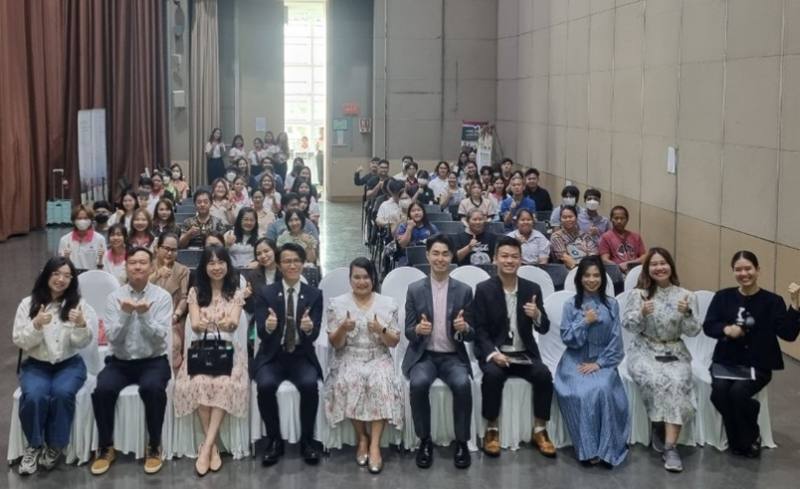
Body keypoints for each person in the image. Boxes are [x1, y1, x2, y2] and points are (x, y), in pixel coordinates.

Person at [703, 251, 800, 457]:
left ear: (758, 270)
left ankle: (744, 439)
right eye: (738, 269)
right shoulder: (723, 297)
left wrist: (795, 305)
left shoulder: (772, 301)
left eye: (748, 268)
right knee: (719, 393)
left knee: (738, 394)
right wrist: (726, 330)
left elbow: (788, 334)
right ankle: (745, 438)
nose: (743, 273)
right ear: (733, 272)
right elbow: (709, 325)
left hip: (758, 364)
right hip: (726, 361)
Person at [90, 247, 172, 476]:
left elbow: (160, 336)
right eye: (133, 262)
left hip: (153, 360)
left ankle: (154, 445)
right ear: (126, 267)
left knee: (153, 388)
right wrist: (126, 314)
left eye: (143, 262)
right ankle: (106, 447)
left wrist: (145, 315)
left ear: (152, 267)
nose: (138, 267)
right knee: (102, 389)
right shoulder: (114, 297)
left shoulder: (161, 297)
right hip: (120, 361)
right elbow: (112, 337)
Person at [470, 236, 556, 457]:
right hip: (497, 353)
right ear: (495, 259)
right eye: (505, 256)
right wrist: (492, 353)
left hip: (524, 353)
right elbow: (479, 330)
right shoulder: (483, 289)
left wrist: (536, 315)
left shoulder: (531, 289)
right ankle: (492, 428)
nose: (509, 261)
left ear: (521, 260)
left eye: (514, 257)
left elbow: (544, 327)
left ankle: (540, 429)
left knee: (544, 375)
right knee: (492, 376)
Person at [12, 257, 95, 475]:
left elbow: (82, 343)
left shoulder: (77, 304)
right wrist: (36, 324)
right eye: (57, 274)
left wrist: (81, 324)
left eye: (67, 276)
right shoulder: (27, 304)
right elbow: (20, 340)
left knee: (62, 392)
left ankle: (56, 445)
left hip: (69, 365)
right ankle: (34, 445)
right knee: (34, 396)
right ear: (47, 274)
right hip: (36, 366)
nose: (61, 279)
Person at [621, 247, 700, 472]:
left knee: (676, 381)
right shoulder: (639, 294)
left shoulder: (686, 296)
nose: (659, 268)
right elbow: (628, 325)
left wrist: (687, 314)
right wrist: (641, 313)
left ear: (671, 266)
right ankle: (658, 422)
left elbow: (693, 331)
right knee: (652, 377)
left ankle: (670, 446)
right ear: (647, 269)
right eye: (654, 264)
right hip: (644, 348)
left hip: (674, 349)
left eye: (663, 263)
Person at [324, 258, 403, 474]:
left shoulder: (387, 303)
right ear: (350, 280)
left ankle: (375, 445)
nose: (361, 282)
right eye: (356, 277)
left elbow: (394, 342)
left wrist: (381, 330)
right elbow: (335, 343)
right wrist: (342, 328)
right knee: (350, 380)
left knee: (381, 382)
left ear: (373, 278)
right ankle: (361, 439)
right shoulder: (338, 304)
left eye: (366, 277)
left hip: (378, 356)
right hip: (349, 355)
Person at [402, 234, 475, 469]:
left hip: (452, 355)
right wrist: (419, 330)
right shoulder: (414, 290)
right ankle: (424, 440)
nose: (440, 258)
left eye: (445, 254)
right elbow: (408, 332)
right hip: (424, 356)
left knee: (463, 385)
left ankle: (462, 442)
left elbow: (472, 332)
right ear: (427, 255)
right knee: (418, 384)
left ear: (452, 257)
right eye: (435, 253)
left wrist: (464, 329)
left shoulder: (464, 291)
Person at [174, 246, 248, 476]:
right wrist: (219, 323)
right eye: (211, 263)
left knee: (225, 383)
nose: (216, 267)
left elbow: (233, 323)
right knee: (198, 382)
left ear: (228, 265)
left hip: (229, 351)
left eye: (221, 262)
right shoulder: (196, 292)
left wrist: (220, 323)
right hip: (202, 349)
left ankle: (205, 447)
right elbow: (195, 324)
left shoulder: (236, 291)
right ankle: (211, 447)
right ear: (204, 267)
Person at [253, 243, 324, 466]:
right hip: (273, 356)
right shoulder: (266, 293)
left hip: (301, 355)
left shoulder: (314, 295)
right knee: (264, 386)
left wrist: (308, 329)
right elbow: (263, 334)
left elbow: (313, 336)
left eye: (296, 261)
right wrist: (270, 327)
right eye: (286, 261)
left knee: (309, 385)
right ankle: (274, 440)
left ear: (303, 264)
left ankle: (307, 441)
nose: (292, 265)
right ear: (279, 264)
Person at [555, 256, 629, 467]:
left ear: (602, 278)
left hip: (603, 360)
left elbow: (616, 339)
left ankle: (607, 449)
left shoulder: (611, 304)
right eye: (587, 275)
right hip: (574, 361)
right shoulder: (571, 304)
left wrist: (600, 364)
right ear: (580, 278)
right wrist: (584, 322)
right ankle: (587, 450)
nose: (591, 279)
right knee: (581, 393)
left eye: (596, 275)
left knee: (603, 389)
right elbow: (568, 338)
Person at [149, 232, 190, 370]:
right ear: (157, 248)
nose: (169, 253)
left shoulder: (183, 270)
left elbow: (184, 298)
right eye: (166, 248)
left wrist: (176, 315)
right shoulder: (147, 265)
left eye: (173, 250)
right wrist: (157, 275)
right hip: (147, 317)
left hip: (172, 320)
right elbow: (138, 289)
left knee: (174, 346)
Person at [598, 206, 646, 273]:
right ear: (611, 219)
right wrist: (619, 266)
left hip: (635, 271)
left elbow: (644, 257)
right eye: (616, 218)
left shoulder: (636, 236)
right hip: (616, 273)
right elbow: (604, 260)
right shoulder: (606, 237)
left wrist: (628, 264)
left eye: (622, 218)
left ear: (627, 219)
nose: (619, 221)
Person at [58, 204, 106, 271]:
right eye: (79, 218)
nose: (82, 221)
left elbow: (103, 264)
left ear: (91, 220)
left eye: (86, 218)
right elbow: (61, 264)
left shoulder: (99, 239)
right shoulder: (65, 240)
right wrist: (66, 257)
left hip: (92, 276)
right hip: (73, 277)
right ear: (73, 220)